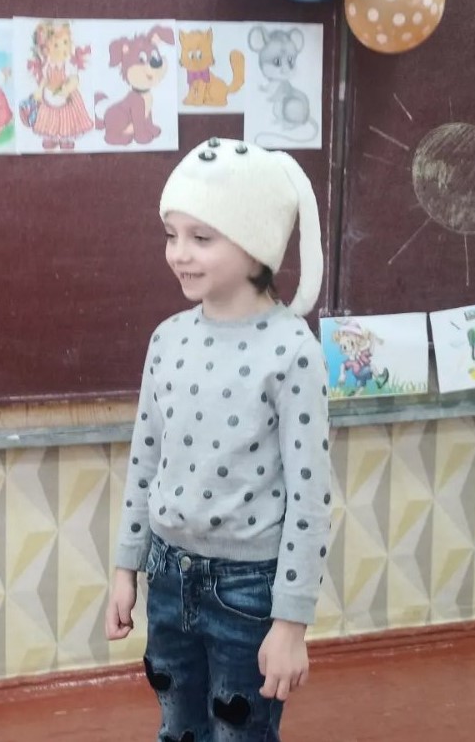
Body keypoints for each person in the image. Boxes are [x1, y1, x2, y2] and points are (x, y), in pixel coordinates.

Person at [105, 137, 333, 741]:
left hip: (248, 590)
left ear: (256, 243)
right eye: (171, 234)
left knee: (238, 733)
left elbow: (310, 501)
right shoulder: (167, 340)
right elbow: (145, 461)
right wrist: (126, 567)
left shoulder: (292, 351)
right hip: (166, 574)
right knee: (178, 728)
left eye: (201, 237)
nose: (179, 253)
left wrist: (291, 622)